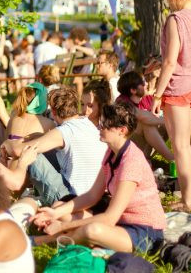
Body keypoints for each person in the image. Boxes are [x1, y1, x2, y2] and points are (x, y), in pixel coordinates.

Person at [32, 103, 166, 253]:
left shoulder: (131, 162)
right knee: (58, 207)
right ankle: (84, 240)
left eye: (105, 126)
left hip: (145, 232)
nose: (99, 128)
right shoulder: (111, 152)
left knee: (92, 230)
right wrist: (55, 214)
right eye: (101, 124)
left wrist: (61, 227)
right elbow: (91, 196)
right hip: (121, 221)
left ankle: (46, 242)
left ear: (122, 131)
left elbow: (110, 218)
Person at [3, 87, 107, 206]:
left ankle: (12, 195)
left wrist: (7, 143)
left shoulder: (64, 131)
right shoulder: (87, 124)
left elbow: (17, 150)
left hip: (71, 196)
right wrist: (34, 136)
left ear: (53, 112)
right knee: (41, 149)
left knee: (30, 153)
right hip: (95, 193)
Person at [152, 0, 191, 210]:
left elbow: (171, 61)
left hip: (178, 86)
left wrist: (157, 94)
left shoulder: (175, 19)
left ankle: (188, 200)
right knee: (186, 145)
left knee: (179, 145)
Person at [117, 71, 174, 161]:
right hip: (121, 147)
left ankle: (150, 160)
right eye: (143, 83)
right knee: (146, 124)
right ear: (133, 90)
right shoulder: (122, 101)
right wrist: (170, 120)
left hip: (134, 144)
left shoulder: (144, 99)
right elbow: (142, 116)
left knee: (162, 126)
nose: (146, 84)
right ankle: (172, 160)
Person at [65, 27, 95, 97]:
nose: (73, 41)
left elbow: (91, 52)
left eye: (73, 38)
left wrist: (76, 47)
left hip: (81, 74)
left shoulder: (86, 45)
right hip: (81, 74)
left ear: (77, 38)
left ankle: (77, 100)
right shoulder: (84, 46)